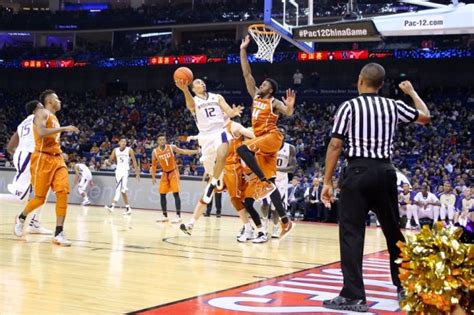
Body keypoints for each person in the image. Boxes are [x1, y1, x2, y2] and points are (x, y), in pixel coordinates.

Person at [321, 63, 431, 311]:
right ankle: (405, 287)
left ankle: (354, 295)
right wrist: (412, 92)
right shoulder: (393, 105)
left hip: (357, 172)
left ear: (360, 80)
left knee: (352, 233)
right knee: (394, 232)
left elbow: (335, 145)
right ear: (381, 85)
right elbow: (425, 117)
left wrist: (327, 181)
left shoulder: (349, 106)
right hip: (385, 172)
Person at [238, 34, 296, 241]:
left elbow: (288, 113)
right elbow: (247, 74)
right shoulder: (255, 95)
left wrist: (289, 106)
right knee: (271, 185)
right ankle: (285, 221)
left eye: (264, 85)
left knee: (242, 149)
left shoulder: (273, 102)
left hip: (272, 137)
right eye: (260, 84)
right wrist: (243, 50)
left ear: (270, 90)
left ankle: (262, 180)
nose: (260, 86)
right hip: (262, 144)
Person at [175, 78, 242, 235]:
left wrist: (234, 112)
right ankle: (215, 182)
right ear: (193, 88)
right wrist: (184, 90)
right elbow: (190, 105)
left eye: (203, 82)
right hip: (205, 137)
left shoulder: (217, 97)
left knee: (222, 153)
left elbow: (229, 112)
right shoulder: (194, 100)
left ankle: (215, 182)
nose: (202, 83)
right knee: (210, 182)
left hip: (219, 131)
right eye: (198, 82)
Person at [14, 90, 80, 246]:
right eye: (57, 98)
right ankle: (22, 217)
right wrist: (63, 128)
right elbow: (42, 132)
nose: (60, 101)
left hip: (57, 159)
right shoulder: (41, 113)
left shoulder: (54, 117)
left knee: (63, 192)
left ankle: (59, 233)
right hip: (42, 159)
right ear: (49, 101)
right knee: (39, 199)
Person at [4, 100, 52, 235]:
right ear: (34, 111)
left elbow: (9, 147)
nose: (43, 108)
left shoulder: (22, 123)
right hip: (28, 156)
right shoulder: (38, 117)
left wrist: (19, 155)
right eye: (41, 107)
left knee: (45, 188)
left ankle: (35, 223)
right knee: (20, 198)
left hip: (26, 155)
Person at [151, 134, 199, 223]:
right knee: (162, 194)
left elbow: (183, 152)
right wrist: (153, 177)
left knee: (175, 194)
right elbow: (153, 165)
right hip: (165, 173)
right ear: (157, 141)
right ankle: (164, 215)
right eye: (160, 140)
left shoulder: (171, 147)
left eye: (163, 139)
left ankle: (178, 216)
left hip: (173, 172)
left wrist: (196, 151)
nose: (162, 141)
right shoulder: (155, 152)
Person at [261, 126, 297, 238]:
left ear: (284, 135)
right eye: (278, 132)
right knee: (265, 203)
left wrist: (277, 169)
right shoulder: (267, 146)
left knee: (276, 206)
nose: (280, 134)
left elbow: (292, 168)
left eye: (282, 133)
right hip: (267, 177)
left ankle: (276, 227)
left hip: (281, 180)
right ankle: (264, 227)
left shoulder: (290, 148)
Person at [105, 138, 140, 215]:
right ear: (119, 143)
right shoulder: (115, 150)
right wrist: (107, 162)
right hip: (118, 171)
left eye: (125, 141)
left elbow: (134, 161)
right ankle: (128, 208)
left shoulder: (129, 150)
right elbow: (110, 160)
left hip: (125, 171)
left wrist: (137, 173)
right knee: (122, 190)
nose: (124, 142)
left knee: (120, 189)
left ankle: (112, 206)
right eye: (122, 141)